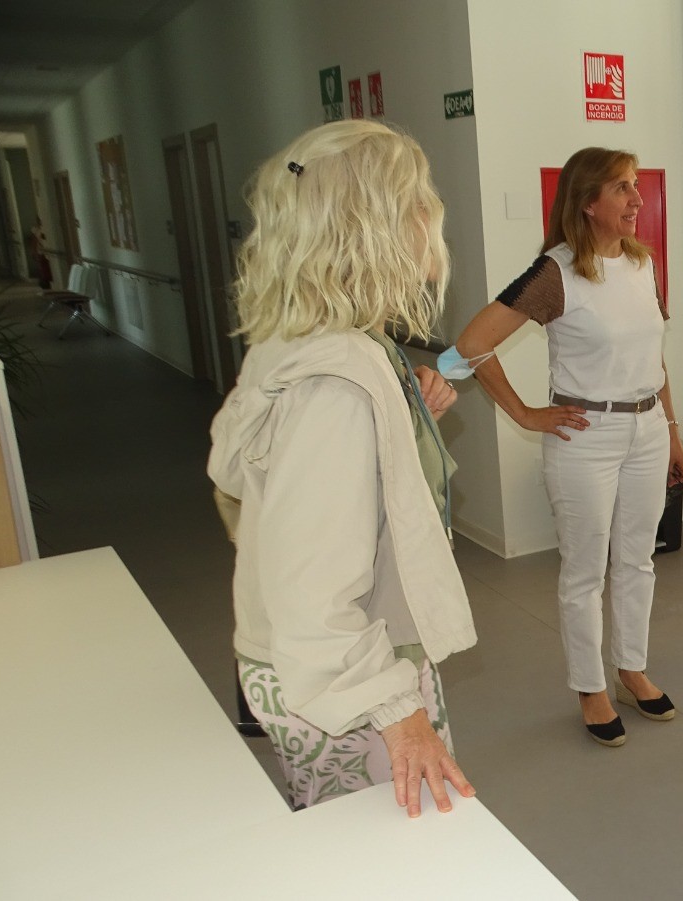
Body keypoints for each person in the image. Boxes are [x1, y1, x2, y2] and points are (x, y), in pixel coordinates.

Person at [208, 120, 477, 817]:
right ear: (374, 225)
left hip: (306, 664)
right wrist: (398, 713)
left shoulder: (296, 339)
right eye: (417, 201)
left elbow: (251, 477)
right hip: (345, 678)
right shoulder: (337, 382)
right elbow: (313, 593)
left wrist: (400, 417)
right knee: (393, 849)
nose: (431, 218)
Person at [454, 147, 683, 748]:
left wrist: (671, 431)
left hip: (645, 429)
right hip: (585, 437)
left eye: (635, 185)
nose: (637, 199)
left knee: (637, 560)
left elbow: (653, 356)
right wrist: (525, 413)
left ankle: (631, 668)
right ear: (587, 203)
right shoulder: (555, 273)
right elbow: (473, 343)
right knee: (585, 571)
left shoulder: (641, 264)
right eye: (622, 188)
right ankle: (590, 688)